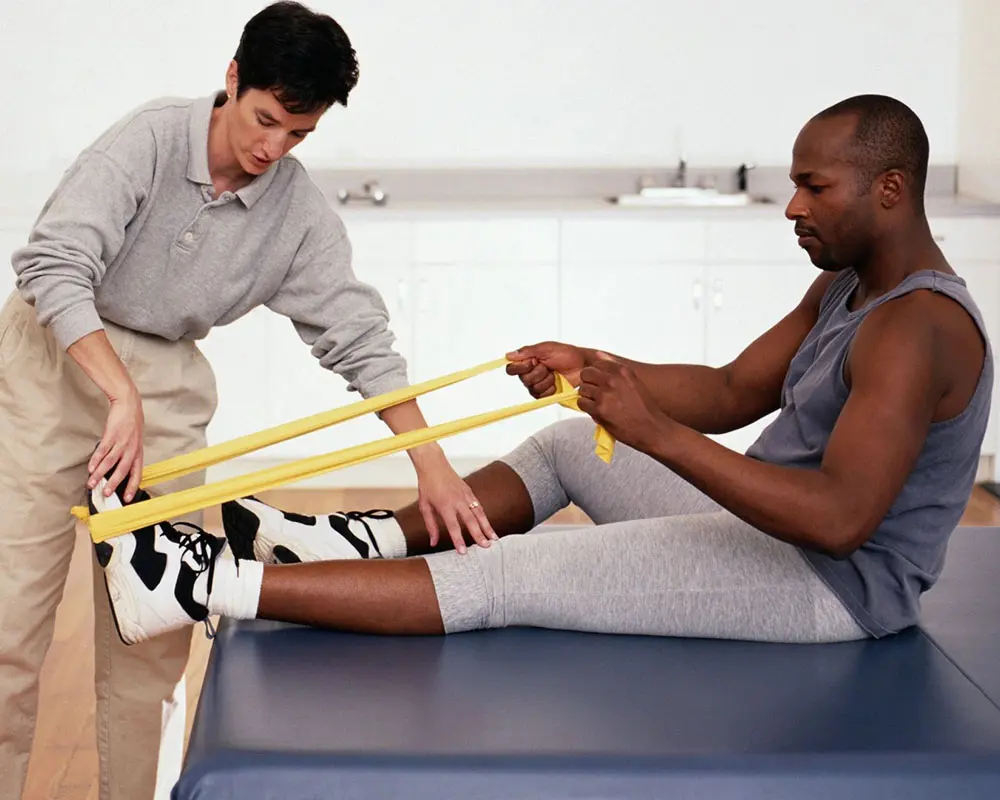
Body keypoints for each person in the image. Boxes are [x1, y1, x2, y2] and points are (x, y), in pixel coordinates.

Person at [90, 94, 992, 660]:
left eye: (815, 187)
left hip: (830, 587)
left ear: (889, 190)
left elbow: (839, 523)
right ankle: (361, 547)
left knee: (515, 573)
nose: (793, 205)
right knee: (569, 442)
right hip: (766, 529)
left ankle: (202, 587)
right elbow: (727, 389)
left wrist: (654, 432)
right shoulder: (844, 285)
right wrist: (596, 371)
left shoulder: (918, 328)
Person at [0, 3, 494, 799]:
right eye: (265, 120)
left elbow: (358, 337)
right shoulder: (150, 140)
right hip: (53, 364)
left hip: (162, 386)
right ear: (231, 79)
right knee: (8, 626)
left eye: (298, 134)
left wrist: (429, 463)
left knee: (149, 639)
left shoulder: (294, 215)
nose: (272, 148)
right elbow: (52, 263)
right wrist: (113, 390)